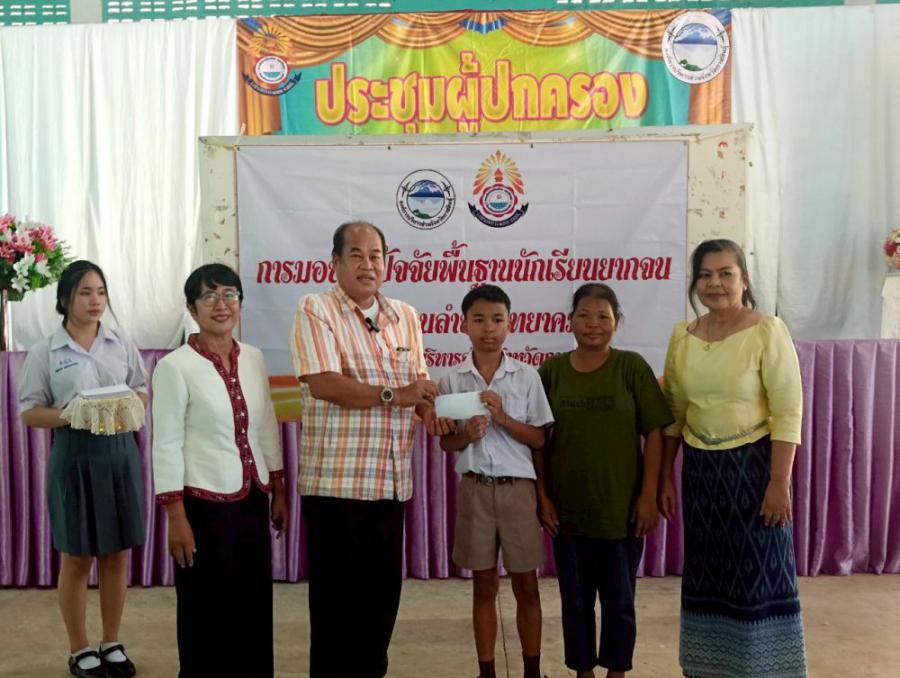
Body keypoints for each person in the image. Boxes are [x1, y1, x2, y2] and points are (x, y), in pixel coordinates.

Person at [290, 220, 454, 678]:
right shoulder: (316, 308)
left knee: (380, 608)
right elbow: (324, 384)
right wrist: (395, 395)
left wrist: (431, 414)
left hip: (391, 484)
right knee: (336, 613)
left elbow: (418, 387)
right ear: (336, 262)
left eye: (376, 255)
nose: (368, 264)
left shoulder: (405, 315)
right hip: (337, 487)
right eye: (356, 255)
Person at [659, 239, 808, 678]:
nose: (715, 283)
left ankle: (765, 670)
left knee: (758, 575)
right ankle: (709, 669)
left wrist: (778, 483)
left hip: (755, 472)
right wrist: (664, 477)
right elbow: (674, 415)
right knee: (708, 575)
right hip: (702, 476)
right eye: (705, 275)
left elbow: (788, 411)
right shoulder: (682, 337)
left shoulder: (767, 331)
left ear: (743, 279)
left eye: (726, 273)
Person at [151, 263, 286, 678]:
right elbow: (166, 444)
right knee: (206, 609)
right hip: (202, 506)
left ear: (241, 303)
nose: (221, 304)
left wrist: (278, 487)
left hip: (252, 499)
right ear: (192, 308)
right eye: (209, 296)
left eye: (230, 295)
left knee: (252, 604)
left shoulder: (254, 358)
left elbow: (265, 425)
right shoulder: (175, 366)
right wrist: (176, 517)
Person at [18, 260, 148, 678]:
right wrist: (71, 414)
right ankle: (79, 649)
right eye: (85, 293)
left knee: (116, 553)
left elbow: (141, 389)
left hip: (119, 452)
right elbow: (29, 412)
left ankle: (111, 641)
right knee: (76, 556)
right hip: (73, 454)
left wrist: (129, 406)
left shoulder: (120, 342)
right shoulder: (46, 351)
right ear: (65, 299)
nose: (95, 301)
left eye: (101, 292)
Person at [536, 283, 672, 678]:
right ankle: (583, 671)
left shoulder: (631, 367)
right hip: (568, 512)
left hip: (621, 511)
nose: (593, 324)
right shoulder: (552, 371)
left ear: (617, 322)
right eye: (584, 315)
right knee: (575, 602)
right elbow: (538, 438)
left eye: (603, 316)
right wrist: (543, 497)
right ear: (570, 321)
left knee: (620, 602)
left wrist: (648, 495)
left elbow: (655, 432)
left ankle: (616, 671)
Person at [437, 284, 555, 678]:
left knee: (526, 586)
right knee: (484, 586)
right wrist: (465, 436)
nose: (488, 328)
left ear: (510, 324)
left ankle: (532, 670)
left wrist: (503, 419)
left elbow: (540, 438)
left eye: (497, 319)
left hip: (517, 491)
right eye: (479, 319)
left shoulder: (526, 376)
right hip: (475, 489)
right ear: (464, 325)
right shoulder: (451, 379)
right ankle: (486, 671)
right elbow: (445, 442)